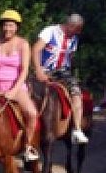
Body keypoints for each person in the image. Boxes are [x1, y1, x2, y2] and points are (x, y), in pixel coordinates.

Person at [0, 9, 39, 161]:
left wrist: (14, 90)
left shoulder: (23, 44)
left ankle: (28, 146)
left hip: (16, 86)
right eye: (5, 25)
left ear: (17, 27)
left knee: (32, 113)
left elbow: (24, 71)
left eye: (11, 25)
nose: (7, 29)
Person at [31, 13, 88, 144]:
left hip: (63, 72)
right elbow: (35, 49)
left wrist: (70, 73)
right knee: (29, 92)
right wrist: (38, 70)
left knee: (76, 91)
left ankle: (77, 129)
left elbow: (70, 57)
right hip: (44, 69)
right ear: (70, 25)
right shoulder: (50, 31)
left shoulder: (74, 39)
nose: (78, 32)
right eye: (77, 29)